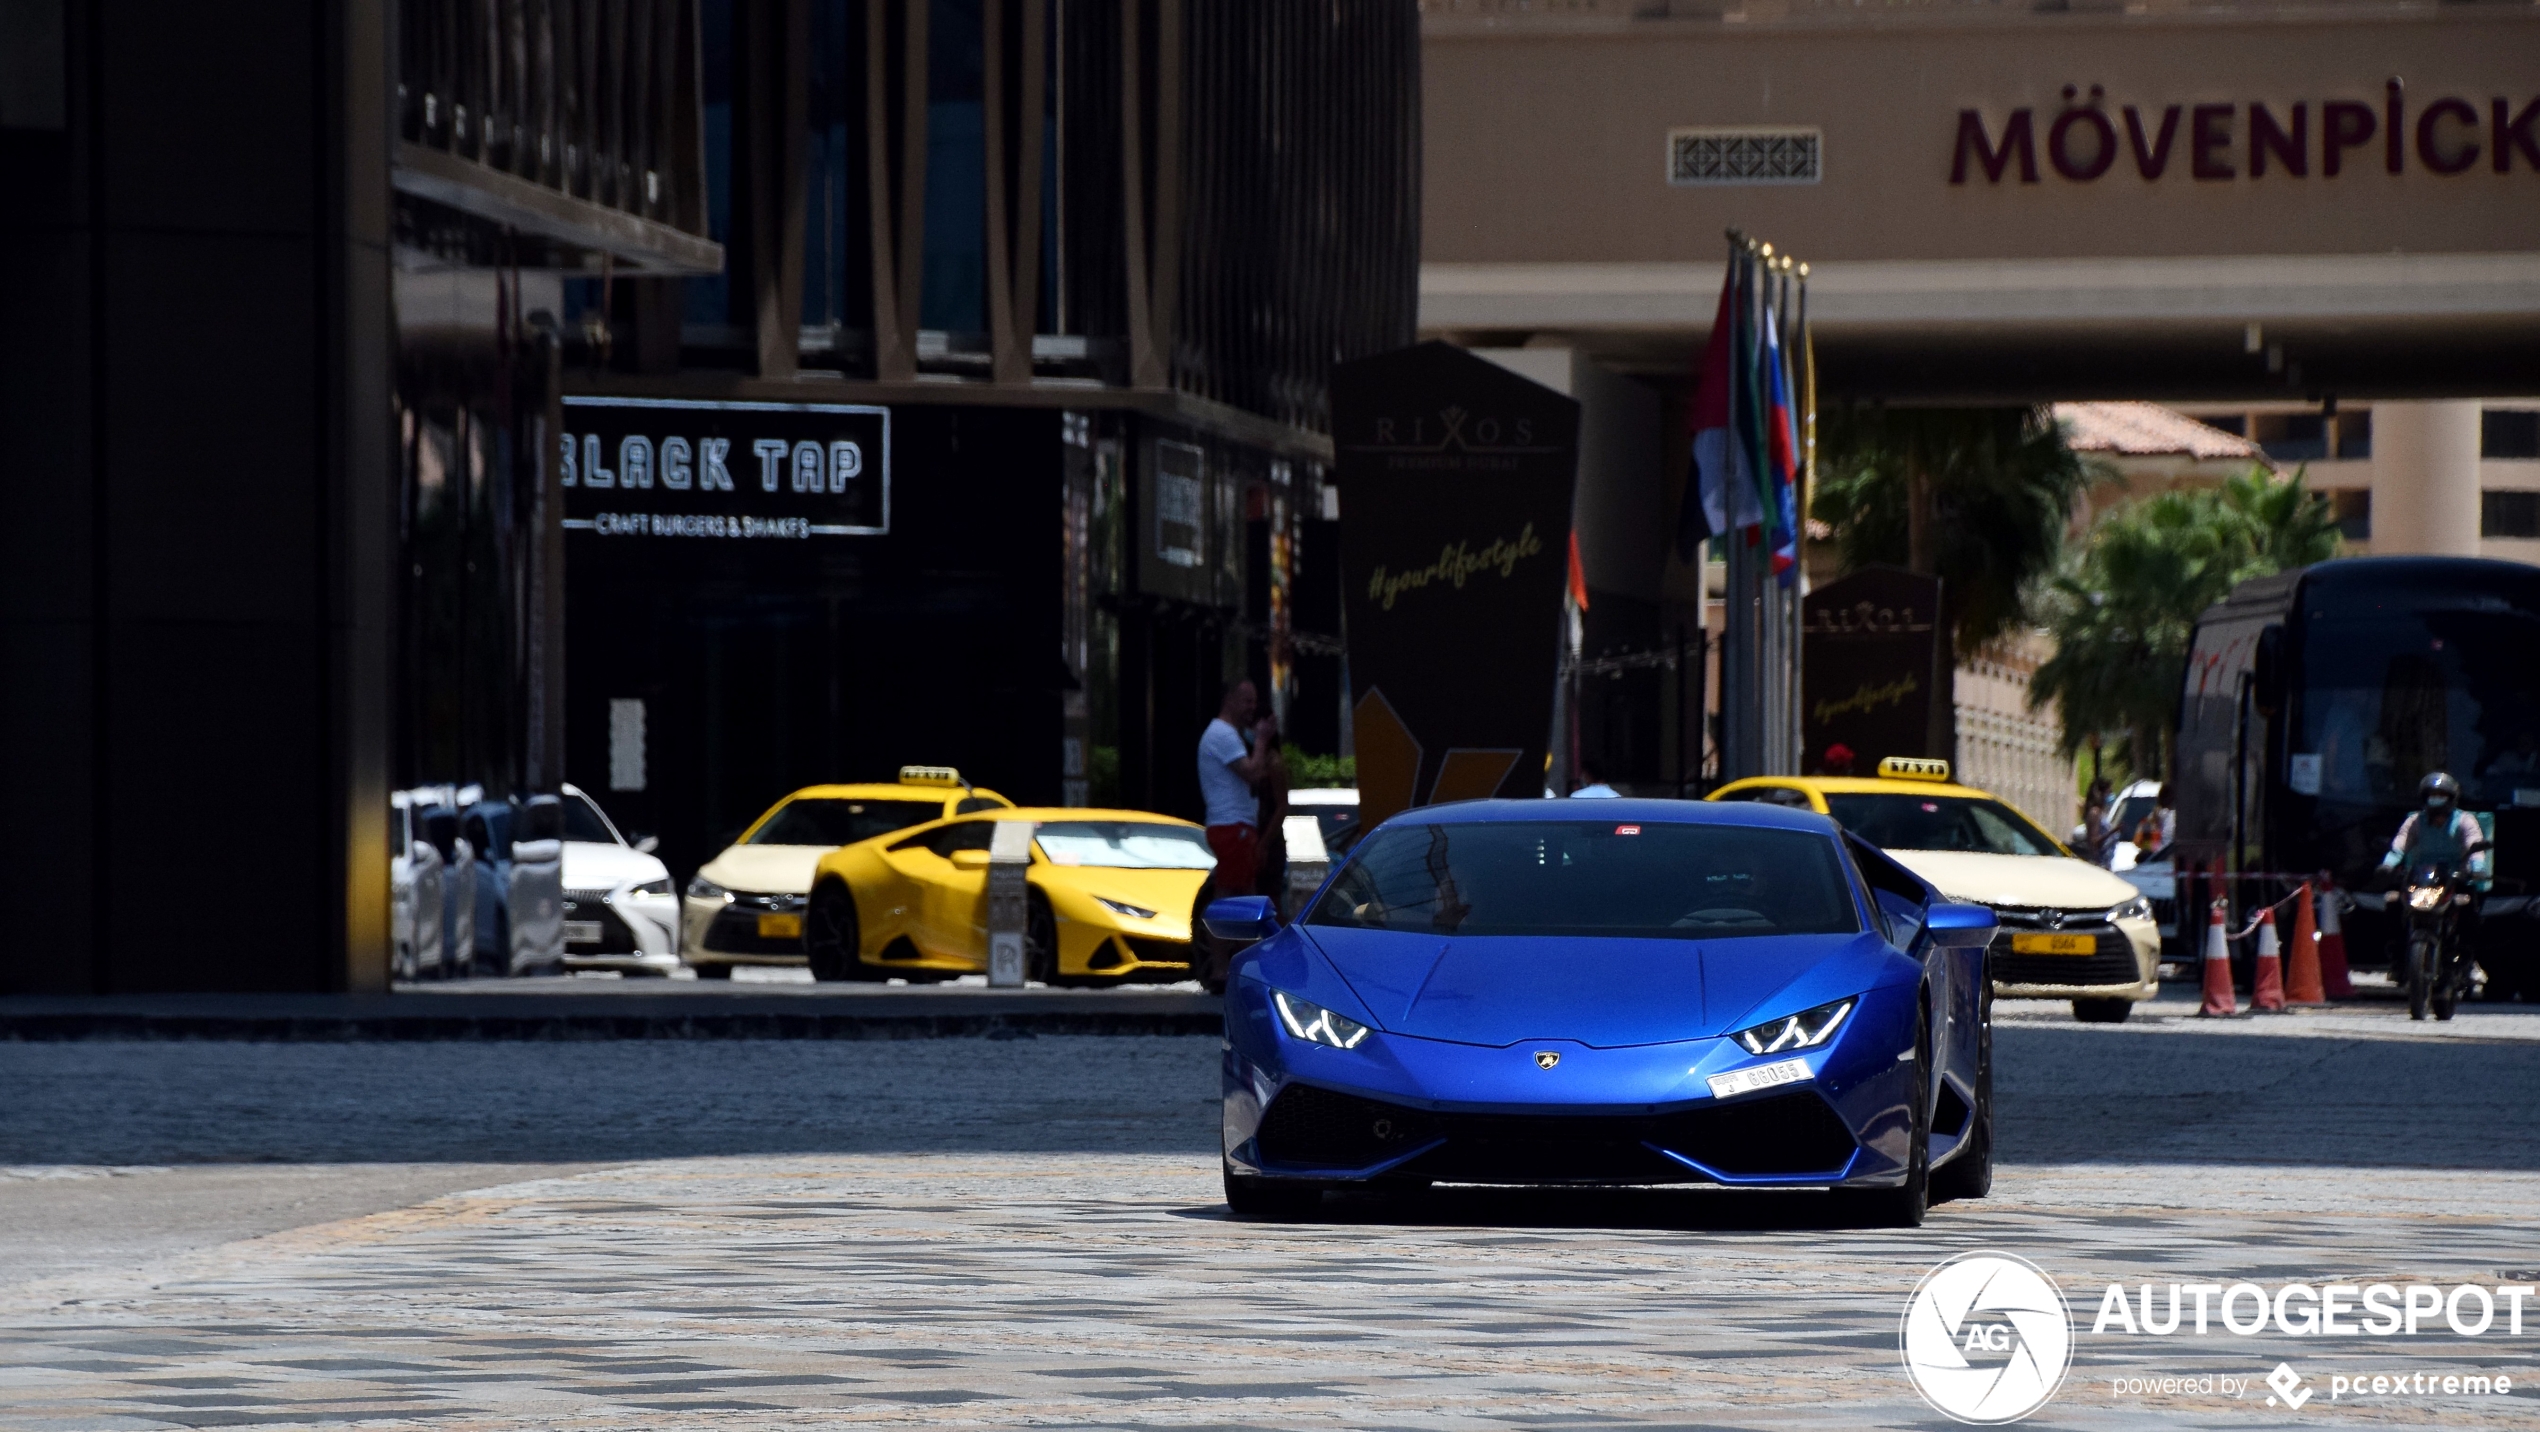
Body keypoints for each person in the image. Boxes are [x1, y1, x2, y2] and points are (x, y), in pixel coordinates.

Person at [1197, 680, 1278, 894]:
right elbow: (1251, 773)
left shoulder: (1227, 734)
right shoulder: (1223, 734)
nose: (1253, 707)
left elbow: (1256, 772)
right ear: (1230, 701)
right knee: (1237, 895)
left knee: (1238, 890)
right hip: (1232, 826)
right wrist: (1261, 740)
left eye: (1255, 702)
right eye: (1247, 701)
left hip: (1233, 825)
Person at [2379, 771, 2490, 887]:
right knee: (2392, 900)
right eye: (2432, 795)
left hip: (2456, 882)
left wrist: (2477, 869)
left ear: (2451, 798)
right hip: (2421, 882)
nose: (2436, 799)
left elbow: (2474, 845)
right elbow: (2399, 846)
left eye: (2441, 795)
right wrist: (2387, 865)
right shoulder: (2415, 821)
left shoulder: (2465, 820)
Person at [1253, 713, 1291, 903]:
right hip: (1256, 832)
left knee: (1268, 898)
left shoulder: (1274, 763)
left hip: (1269, 838)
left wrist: (1264, 843)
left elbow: (1282, 806)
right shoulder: (1254, 757)